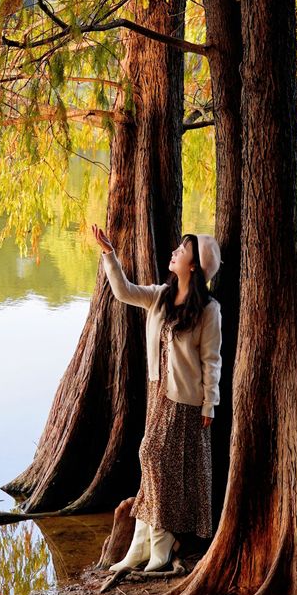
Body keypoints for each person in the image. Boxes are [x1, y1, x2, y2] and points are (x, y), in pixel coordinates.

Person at [91, 224, 222, 572]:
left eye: (183, 250)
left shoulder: (208, 310)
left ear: (194, 266)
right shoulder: (160, 296)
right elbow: (123, 291)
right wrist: (109, 255)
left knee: (151, 455)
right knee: (154, 463)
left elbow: (212, 360)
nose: (175, 252)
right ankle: (143, 545)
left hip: (185, 399)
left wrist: (211, 402)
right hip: (156, 392)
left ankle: (159, 543)